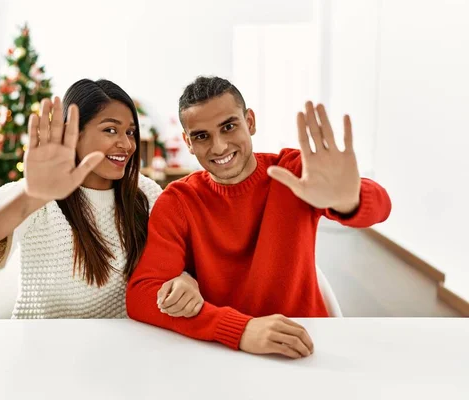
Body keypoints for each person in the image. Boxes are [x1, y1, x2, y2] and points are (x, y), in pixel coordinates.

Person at [126, 76, 392, 358]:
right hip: (224, 350)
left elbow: (381, 208)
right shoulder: (179, 200)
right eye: (201, 136)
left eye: (228, 127)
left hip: (307, 340)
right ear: (188, 143)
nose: (218, 147)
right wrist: (240, 330)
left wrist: (347, 199)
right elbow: (141, 295)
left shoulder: (291, 171)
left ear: (250, 122)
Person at [0, 79, 203, 319]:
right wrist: (30, 194)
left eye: (130, 132)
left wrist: (185, 279)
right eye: (110, 130)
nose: (126, 144)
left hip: (124, 344)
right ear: (74, 134)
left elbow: (177, 260)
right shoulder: (40, 195)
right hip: (45, 345)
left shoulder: (145, 193)